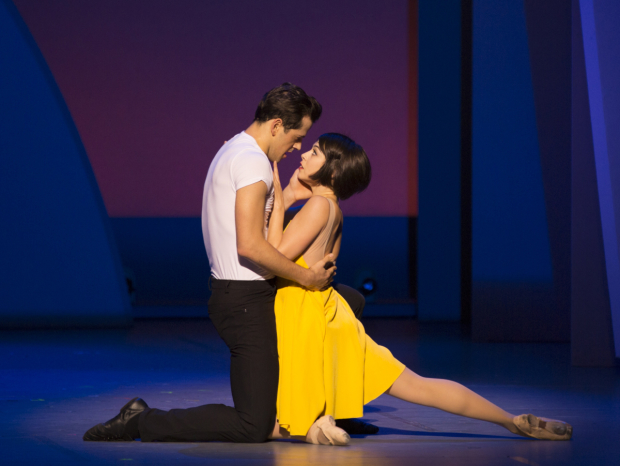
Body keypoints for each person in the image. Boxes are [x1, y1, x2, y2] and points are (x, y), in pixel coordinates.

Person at [263, 133, 573, 445]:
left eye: (314, 152)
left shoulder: (317, 205)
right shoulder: (333, 209)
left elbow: (274, 254)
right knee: (418, 386)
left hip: (308, 318)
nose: (303, 156)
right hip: (329, 314)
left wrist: (282, 199)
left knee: (278, 419)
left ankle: (319, 429)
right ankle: (510, 421)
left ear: (332, 171)